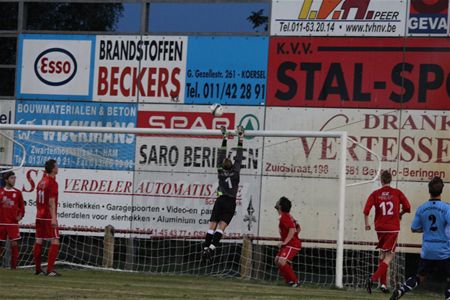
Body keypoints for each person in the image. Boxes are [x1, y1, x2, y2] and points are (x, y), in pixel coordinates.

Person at [390, 176, 450, 300]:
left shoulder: (422, 208)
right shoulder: (447, 208)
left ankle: (401, 290)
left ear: (429, 190)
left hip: (427, 250)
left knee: (420, 277)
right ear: (441, 191)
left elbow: (414, 228)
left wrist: (426, 229)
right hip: (444, 250)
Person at [201, 125, 244, 263]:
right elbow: (239, 157)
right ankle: (211, 249)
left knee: (211, 227)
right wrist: (240, 138)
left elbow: (220, 156)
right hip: (230, 202)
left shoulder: (220, 171)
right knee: (222, 227)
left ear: (223, 166)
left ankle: (205, 249)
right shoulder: (236, 172)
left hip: (220, 200)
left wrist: (225, 138)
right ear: (231, 165)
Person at [363, 170, 411, 294]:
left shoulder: (375, 193)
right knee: (390, 256)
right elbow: (408, 207)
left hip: (380, 228)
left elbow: (366, 210)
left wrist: (367, 223)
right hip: (392, 228)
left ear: (381, 180)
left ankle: (383, 284)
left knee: (383, 254)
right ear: (390, 180)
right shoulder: (397, 193)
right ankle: (372, 279)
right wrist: (400, 214)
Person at [34, 159, 61, 276]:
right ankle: (49, 270)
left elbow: (37, 199)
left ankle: (38, 269)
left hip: (39, 215)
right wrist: (54, 218)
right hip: (48, 217)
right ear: (53, 169)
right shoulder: (52, 183)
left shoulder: (41, 181)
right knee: (55, 241)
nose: (58, 168)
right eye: (56, 166)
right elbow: (51, 202)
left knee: (39, 240)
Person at [274, 196, 302, 287]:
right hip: (291, 243)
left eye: (278, 202)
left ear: (280, 206)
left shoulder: (284, 217)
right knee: (277, 260)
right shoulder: (288, 216)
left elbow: (292, 229)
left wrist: (286, 242)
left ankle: (295, 282)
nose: (276, 202)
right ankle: (289, 281)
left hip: (292, 244)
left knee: (281, 261)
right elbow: (298, 228)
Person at [0, 171, 25, 269]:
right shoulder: (0, 191)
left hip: (12, 224)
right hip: (1, 222)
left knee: (14, 243)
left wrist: (20, 216)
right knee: (0, 244)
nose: (14, 180)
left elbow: (22, 207)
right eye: (12, 178)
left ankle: (14, 266)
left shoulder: (17, 193)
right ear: (6, 180)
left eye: (14, 178)